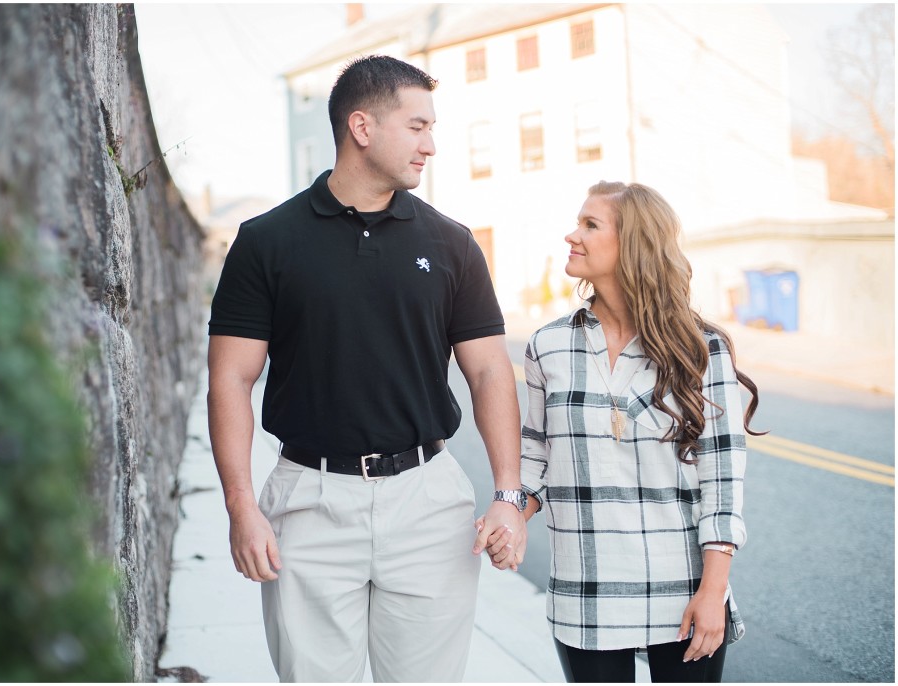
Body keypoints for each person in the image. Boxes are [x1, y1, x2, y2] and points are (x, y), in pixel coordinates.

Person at [206, 55, 526, 683]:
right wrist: (241, 506)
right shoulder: (266, 241)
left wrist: (508, 495)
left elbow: (490, 372)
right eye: (416, 126)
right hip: (309, 500)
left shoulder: (453, 243)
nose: (431, 145)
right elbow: (230, 380)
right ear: (361, 127)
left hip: (427, 500)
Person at [507, 181, 762, 682]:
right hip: (587, 589)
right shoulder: (548, 346)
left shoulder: (700, 349)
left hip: (683, 586)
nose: (570, 235)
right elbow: (534, 461)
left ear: (634, 244)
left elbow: (722, 481)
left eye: (590, 225)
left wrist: (714, 590)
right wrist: (511, 513)